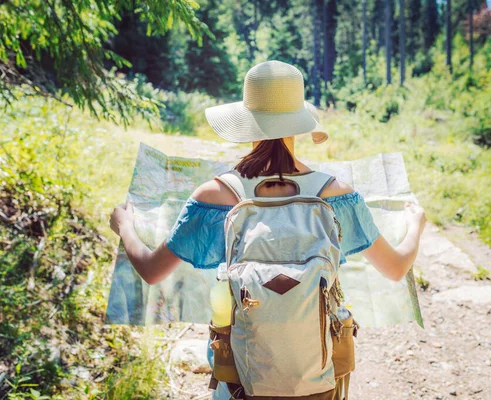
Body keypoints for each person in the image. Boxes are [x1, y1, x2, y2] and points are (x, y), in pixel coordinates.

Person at [109, 60, 426, 399]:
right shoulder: (338, 196)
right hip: (317, 379)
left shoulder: (213, 196)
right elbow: (395, 268)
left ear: (246, 122)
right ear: (299, 123)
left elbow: (151, 271)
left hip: (240, 380)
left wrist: (125, 226)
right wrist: (415, 227)